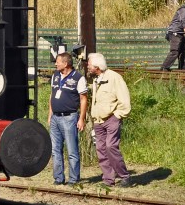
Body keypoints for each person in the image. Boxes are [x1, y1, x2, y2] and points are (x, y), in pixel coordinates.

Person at [85, 53, 131, 188]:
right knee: (101, 149)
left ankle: (124, 176)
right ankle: (108, 179)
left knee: (111, 147)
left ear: (96, 66)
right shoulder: (96, 79)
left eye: (89, 64)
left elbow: (124, 100)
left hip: (111, 118)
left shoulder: (115, 78)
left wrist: (118, 115)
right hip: (98, 120)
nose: (87, 66)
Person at [47, 51, 88, 185]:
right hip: (55, 118)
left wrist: (81, 118)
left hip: (69, 118)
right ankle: (58, 178)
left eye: (58, 61)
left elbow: (83, 99)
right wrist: (50, 115)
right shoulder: (55, 76)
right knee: (55, 150)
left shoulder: (78, 78)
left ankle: (74, 179)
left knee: (71, 150)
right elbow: (51, 96)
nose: (56, 64)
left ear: (65, 63)